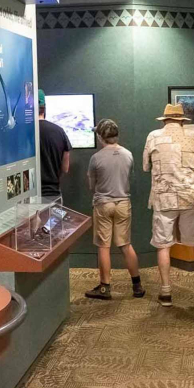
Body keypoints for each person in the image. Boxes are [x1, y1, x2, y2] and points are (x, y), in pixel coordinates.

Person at [143, 103, 194, 307]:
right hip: (189, 196)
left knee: (163, 245)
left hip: (164, 198)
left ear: (165, 119)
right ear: (182, 120)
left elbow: (146, 167)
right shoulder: (192, 136)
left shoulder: (153, 136)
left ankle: (166, 292)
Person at [84, 118, 143, 300]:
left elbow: (91, 185)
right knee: (125, 244)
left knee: (103, 246)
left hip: (103, 204)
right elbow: (128, 178)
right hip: (123, 203)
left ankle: (104, 287)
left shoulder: (96, 158)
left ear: (101, 137)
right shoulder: (128, 154)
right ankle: (137, 285)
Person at [38, 89, 70, 201]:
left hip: (29, 197)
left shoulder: (23, 132)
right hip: (53, 194)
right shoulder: (59, 131)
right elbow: (65, 168)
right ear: (44, 108)